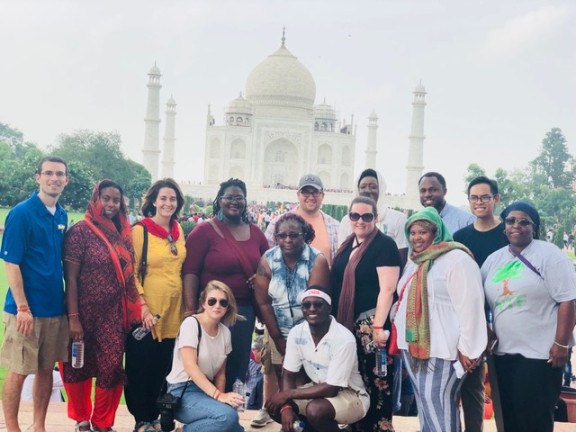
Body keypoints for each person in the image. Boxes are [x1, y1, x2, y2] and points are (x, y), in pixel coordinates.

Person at [481, 201, 576, 432]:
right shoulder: (494, 260)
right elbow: (477, 302)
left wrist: (561, 344)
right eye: (511, 220)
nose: (517, 226)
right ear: (504, 226)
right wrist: (485, 329)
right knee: (508, 420)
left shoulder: (549, 255)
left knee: (534, 421)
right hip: (503, 355)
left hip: (541, 356)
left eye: (524, 222)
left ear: (534, 227)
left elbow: (568, 300)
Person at [394, 207, 487, 432]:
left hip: (443, 351)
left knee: (440, 408)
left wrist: (469, 348)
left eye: (423, 232)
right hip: (414, 348)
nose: (416, 237)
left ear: (437, 231)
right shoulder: (415, 260)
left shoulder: (456, 259)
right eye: (413, 232)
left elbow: (471, 306)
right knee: (427, 409)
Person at [62, 180, 141, 432]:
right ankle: (82, 419)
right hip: (83, 313)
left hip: (113, 315)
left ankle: (102, 422)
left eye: (115, 200)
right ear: (96, 199)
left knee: (111, 367)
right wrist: (73, 318)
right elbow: (71, 279)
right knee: (78, 367)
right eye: (105, 198)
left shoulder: (122, 233)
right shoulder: (80, 232)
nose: (110, 204)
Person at [0, 155, 70, 432]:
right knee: (18, 370)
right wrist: (23, 307)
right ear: (38, 177)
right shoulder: (22, 213)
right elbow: (11, 262)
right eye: (49, 173)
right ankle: (13, 428)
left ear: (66, 180)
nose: (55, 178)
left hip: (54, 308)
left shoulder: (61, 214)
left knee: (45, 370)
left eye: (60, 174)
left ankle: (39, 425)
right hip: (26, 311)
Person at [183, 178, 268, 390]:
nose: (234, 202)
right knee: (207, 363)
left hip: (243, 312)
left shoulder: (256, 233)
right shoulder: (204, 232)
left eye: (239, 198)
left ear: (245, 201)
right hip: (211, 310)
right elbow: (190, 272)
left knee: (236, 366)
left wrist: (260, 278)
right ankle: (207, 415)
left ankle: (229, 416)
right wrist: (190, 310)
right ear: (219, 200)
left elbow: (269, 267)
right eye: (228, 197)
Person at [331, 196, 402, 432]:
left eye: (366, 216)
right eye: (355, 216)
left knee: (378, 381)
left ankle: (380, 427)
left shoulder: (384, 245)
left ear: (376, 217)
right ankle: (358, 425)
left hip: (372, 324)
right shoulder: (349, 244)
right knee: (356, 377)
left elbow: (388, 289)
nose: (360, 221)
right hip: (349, 324)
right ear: (349, 217)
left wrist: (379, 327)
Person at [125, 178, 189, 432]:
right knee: (142, 367)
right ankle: (142, 419)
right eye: (163, 198)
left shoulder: (178, 230)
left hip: (174, 311)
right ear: (153, 201)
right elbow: (131, 273)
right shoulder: (141, 230)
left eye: (172, 199)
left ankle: (159, 417)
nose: (168, 203)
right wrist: (142, 308)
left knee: (164, 366)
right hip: (147, 311)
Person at [266, 288, 370, 432]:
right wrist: (286, 407)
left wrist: (287, 394)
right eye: (306, 305)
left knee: (315, 411)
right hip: (316, 389)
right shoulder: (297, 332)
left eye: (318, 304)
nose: (312, 309)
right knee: (274, 405)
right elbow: (289, 374)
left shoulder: (343, 338)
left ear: (329, 308)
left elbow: (332, 389)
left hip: (350, 394)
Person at [453, 176, 508, 432]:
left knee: (502, 389)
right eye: (474, 197)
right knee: (470, 385)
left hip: (505, 319)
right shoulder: (461, 237)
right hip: (469, 322)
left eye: (484, 197)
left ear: (496, 199)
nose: (479, 202)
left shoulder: (508, 234)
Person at [255, 213, 331, 385]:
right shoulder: (268, 260)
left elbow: (315, 306)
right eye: (282, 236)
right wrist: (278, 340)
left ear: (304, 235)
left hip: (310, 335)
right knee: (284, 382)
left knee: (305, 384)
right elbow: (264, 303)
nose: (287, 240)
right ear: (275, 237)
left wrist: (299, 344)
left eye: (294, 235)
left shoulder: (316, 260)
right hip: (277, 332)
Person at [166, 280, 245, 432]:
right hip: (182, 391)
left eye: (223, 302)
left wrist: (222, 398)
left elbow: (220, 374)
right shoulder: (191, 324)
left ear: (228, 307)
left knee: (234, 428)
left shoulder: (225, 333)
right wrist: (218, 396)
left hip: (205, 390)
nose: (217, 306)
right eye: (212, 301)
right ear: (203, 303)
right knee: (226, 417)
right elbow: (190, 367)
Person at [265, 174, 340, 266]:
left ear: (322, 195)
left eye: (315, 192)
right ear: (298, 195)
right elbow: (266, 259)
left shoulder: (335, 227)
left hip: (323, 280)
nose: (311, 197)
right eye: (305, 192)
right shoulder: (277, 223)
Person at [338, 168, 408, 265]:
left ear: (381, 189)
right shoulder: (348, 220)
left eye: (373, 187)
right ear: (357, 190)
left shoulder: (398, 219)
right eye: (363, 187)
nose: (367, 190)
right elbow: (342, 256)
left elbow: (401, 259)